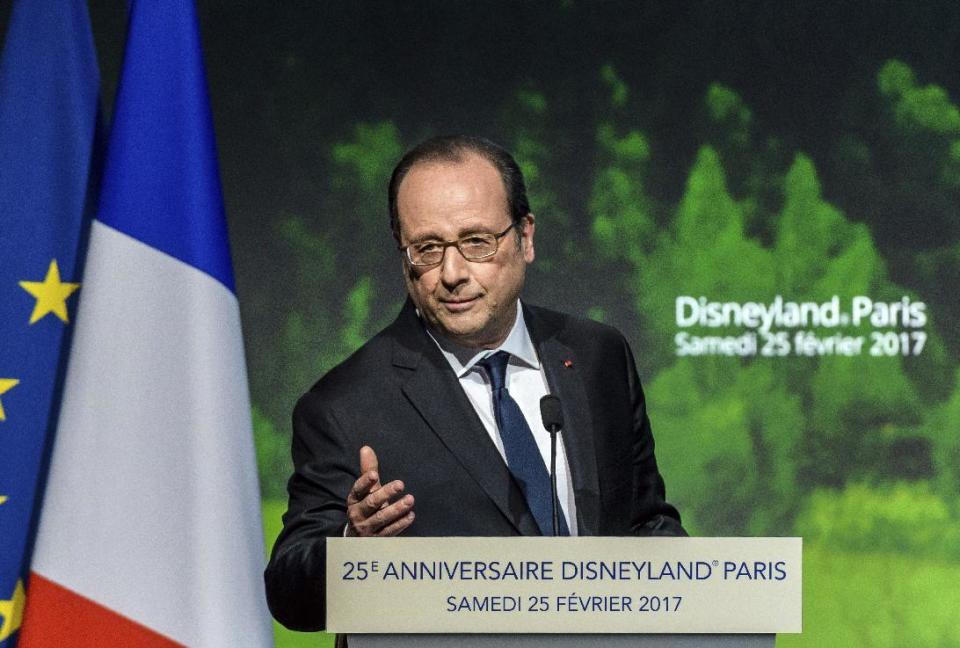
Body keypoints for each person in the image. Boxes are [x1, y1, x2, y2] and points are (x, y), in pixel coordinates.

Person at [264, 135, 685, 632]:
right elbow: (290, 592)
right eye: (427, 249)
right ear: (403, 257)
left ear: (525, 238)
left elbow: (646, 522)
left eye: (476, 242)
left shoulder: (597, 356)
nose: (452, 273)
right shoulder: (345, 405)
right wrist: (353, 550)